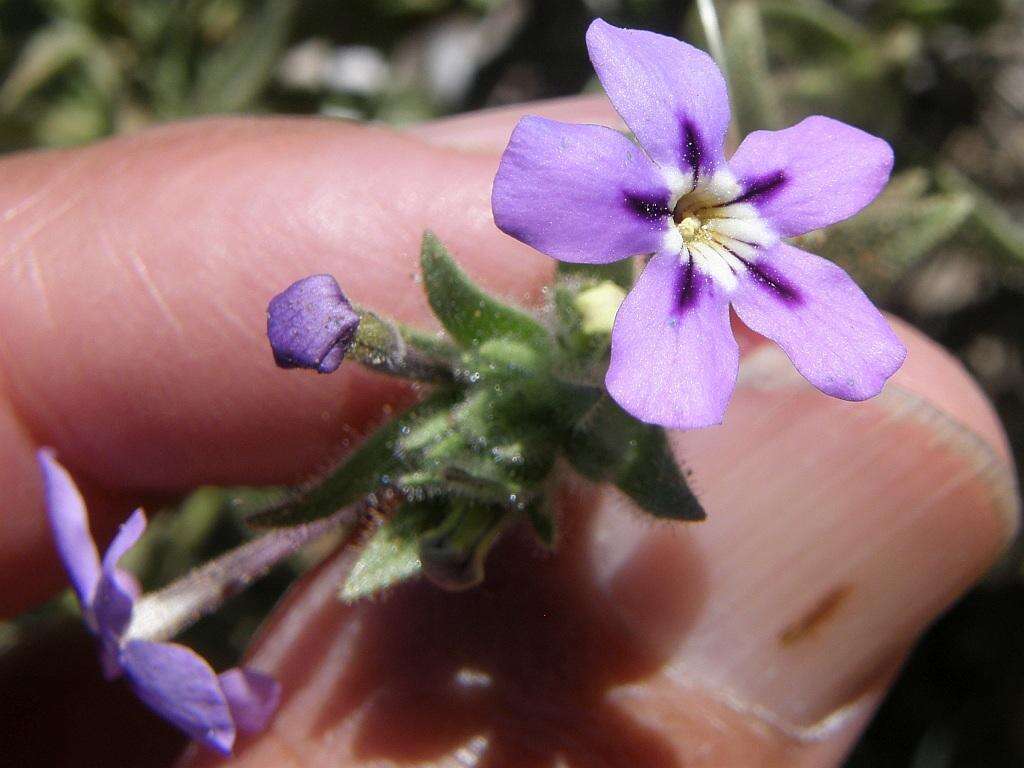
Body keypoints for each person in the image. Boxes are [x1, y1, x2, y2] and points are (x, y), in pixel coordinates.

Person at [0, 96, 1016, 767]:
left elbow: (826, 179)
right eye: (693, 211)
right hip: (573, 368)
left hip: (628, 340)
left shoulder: (715, 219)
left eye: (706, 212)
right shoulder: (661, 259)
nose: (699, 218)